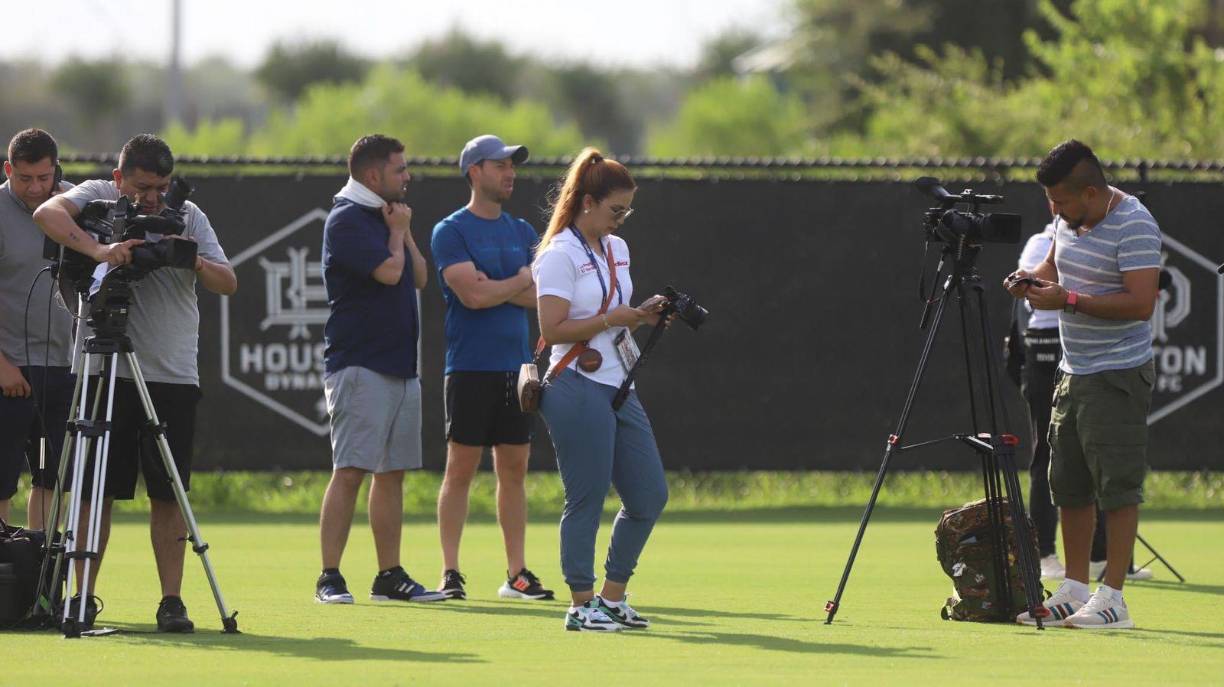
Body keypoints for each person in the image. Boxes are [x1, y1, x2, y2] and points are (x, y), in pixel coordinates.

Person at [34, 133, 238, 632]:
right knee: (94, 490)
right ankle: (83, 596)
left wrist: (185, 257)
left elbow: (227, 282)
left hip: (170, 370)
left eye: (162, 187)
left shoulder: (189, 216)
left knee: (168, 492)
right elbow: (47, 216)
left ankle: (172, 600)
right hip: (104, 369)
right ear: (121, 177)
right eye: (144, 188)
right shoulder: (96, 195)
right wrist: (104, 251)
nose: (154, 199)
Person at [1007, 140, 1160, 629]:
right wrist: (1030, 280)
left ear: (1091, 192)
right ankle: (1073, 590)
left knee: (1117, 488)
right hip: (1072, 372)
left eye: (1061, 201)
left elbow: (1141, 303)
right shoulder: (1066, 220)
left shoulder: (1135, 222)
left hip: (1118, 374)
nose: (1053, 210)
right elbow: (1053, 265)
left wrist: (1068, 300)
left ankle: (1113, 597)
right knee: (1068, 485)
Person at [532, 148, 669, 632]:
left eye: (627, 210)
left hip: (618, 382)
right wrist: (616, 317)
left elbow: (615, 309)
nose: (621, 219)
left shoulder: (618, 248)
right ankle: (580, 602)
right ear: (587, 202)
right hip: (573, 383)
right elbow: (552, 327)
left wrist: (643, 314)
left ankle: (611, 598)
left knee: (649, 495)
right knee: (586, 499)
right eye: (616, 210)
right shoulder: (559, 253)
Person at [315, 134, 445, 605]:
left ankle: (388, 576)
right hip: (359, 364)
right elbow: (390, 273)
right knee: (350, 470)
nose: (407, 176)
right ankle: (329, 577)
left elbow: (420, 276)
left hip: (400, 367)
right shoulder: (346, 219)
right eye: (399, 170)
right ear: (373, 176)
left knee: (392, 474)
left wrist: (404, 230)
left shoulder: (389, 215)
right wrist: (397, 231)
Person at [430, 134, 554, 601]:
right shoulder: (451, 230)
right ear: (474, 171)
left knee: (515, 470)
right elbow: (472, 296)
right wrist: (516, 282)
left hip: (516, 368)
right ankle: (450, 573)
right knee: (460, 469)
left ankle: (517, 574)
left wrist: (505, 284)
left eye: (513, 166)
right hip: (469, 368)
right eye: (500, 165)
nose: (510, 173)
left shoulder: (523, 231)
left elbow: (537, 295)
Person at [0, 128, 73, 529]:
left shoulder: (73, 204)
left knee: (51, 480)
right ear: (9, 168)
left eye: (44, 178)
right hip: (8, 370)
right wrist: (2, 366)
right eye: (24, 178)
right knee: (1, 485)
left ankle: (39, 582)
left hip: (60, 368)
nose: (35, 187)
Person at [1012, 207, 1064, 580]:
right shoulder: (1040, 243)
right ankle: (1044, 552)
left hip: (1085, 352)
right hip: (1044, 357)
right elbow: (1035, 290)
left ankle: (1102, 556)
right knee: (1045, 452)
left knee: (1092, 456)